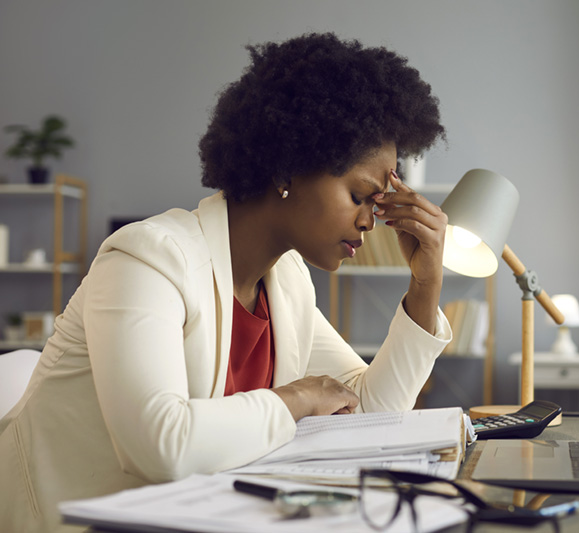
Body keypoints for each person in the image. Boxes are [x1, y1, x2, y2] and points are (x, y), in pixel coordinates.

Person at [0, 32, 451, 532]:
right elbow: (160, 446)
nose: (372, 221)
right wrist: (297, 400)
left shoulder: (287, 283)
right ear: (287, 169)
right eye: (361, 195)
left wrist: (426, 283)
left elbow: (367, 411)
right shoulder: (149, 259)